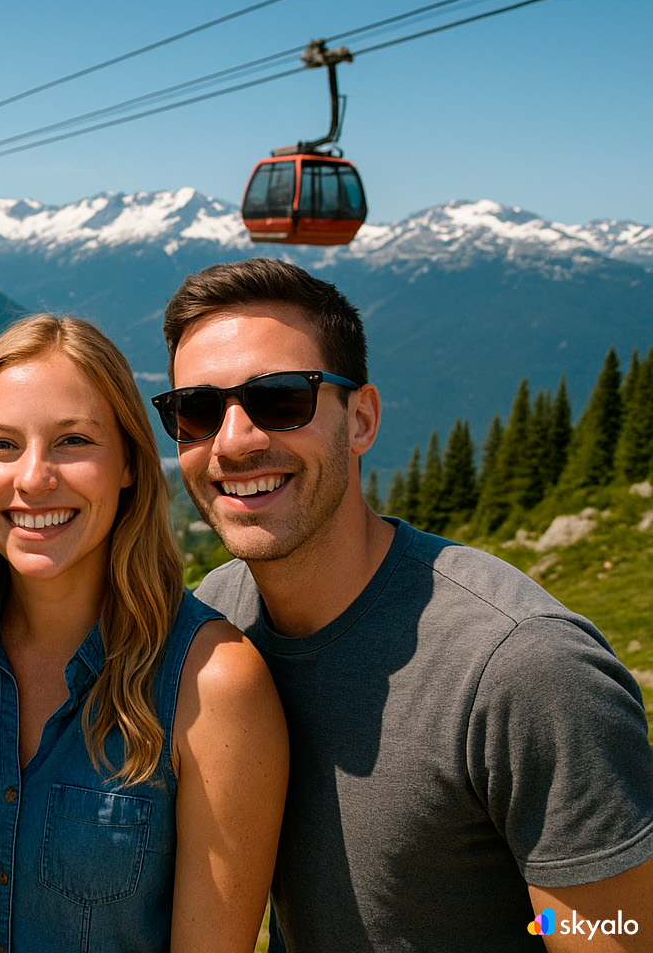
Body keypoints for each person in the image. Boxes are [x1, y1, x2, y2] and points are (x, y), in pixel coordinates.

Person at [155, 257, 653, 952]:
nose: (234, 440)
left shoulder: (525, 668)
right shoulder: (216, 624)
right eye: (197, 411)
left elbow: (619, 930)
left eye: (281, 399)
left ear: (361, 420)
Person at [0, 314, 287, 953]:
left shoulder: (211, 686)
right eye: (0, 445)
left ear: (131, 463)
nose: (32, 478)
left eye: (73, 441)